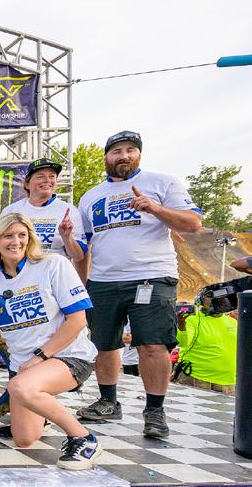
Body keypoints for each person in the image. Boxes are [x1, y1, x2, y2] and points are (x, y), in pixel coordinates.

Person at [75, 131, 202, 439]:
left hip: (151, 275)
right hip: (103, 279)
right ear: (106, 157)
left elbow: (193, 223)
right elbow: (84, 246)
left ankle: (155, 411)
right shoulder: (90, 196)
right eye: (117, 151)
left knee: (153, 344)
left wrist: (155, 208)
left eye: (130, 150)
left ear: (139, 155)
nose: (124, 155)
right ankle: (108, 401)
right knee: (104, 344)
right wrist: (83, 283)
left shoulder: (162, 183)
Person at [0, 212, 102, 470]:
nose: (16, 241)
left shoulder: (53, 264)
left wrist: (40, 357)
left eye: (22, 235)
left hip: (67, 356)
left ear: (30, 238)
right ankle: (41, 403)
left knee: (20, 387)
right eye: (8, 236)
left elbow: (77, 321)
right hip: (25, 366)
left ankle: (83, 438)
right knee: (24, 439)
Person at [0, 158, 88, 280]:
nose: (47, 180)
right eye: (40, 176)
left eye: (52, 176)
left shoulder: (68, 210)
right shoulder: (11, 211)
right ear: (27, 184)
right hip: (20, 279)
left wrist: (67, 237)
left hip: (56, 279)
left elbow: (78, 257)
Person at [174, 300, 237, 393]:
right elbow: (182, 343)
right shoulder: (192, 319)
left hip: (227, 381)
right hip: (196, 378)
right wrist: (181, 324)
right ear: (200, 300)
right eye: (210, 297)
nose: (216, 301)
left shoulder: (233, 322)